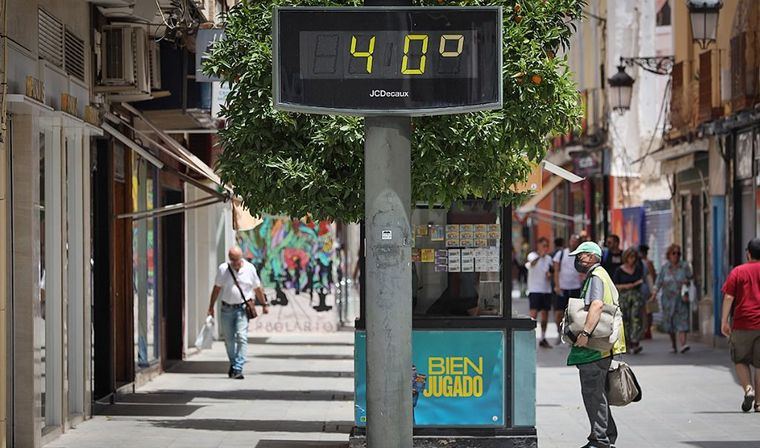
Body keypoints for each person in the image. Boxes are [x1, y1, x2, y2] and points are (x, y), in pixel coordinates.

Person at [567, 241, 626, 448]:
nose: (578, 260)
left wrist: (585, 333)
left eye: (581, 255)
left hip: (595, 346)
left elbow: (597, 305)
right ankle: (606, 435)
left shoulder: (595, 277)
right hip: (604, 345)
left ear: (592, 257)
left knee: (593, 393)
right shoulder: (602, 275)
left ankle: (600, 440)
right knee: (597, 392)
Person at [207, 246, 269, 379]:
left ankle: (238, 367)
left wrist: (264, 304)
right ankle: (234, 363)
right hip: (226, 309)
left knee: (242, 337)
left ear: (241, 257)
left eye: (237, 259)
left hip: (242, 308)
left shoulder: (249, 268)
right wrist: (211, 306)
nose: (234, 262)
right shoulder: (223, 269)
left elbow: (257, 288)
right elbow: (217, 288)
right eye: (232, 259)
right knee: (229, 340)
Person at [720, 238, 760, 413]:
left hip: (743, 323)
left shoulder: (738, 271)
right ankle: (759, 403)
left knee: (740, 359)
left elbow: (729, 297)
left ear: (748, 253)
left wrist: (724, 321)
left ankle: (748, 389)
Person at [650, 244, 693, 354]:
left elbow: (691, 279)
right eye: (674, 253)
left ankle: (683, 344)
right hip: (668, 300)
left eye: (678, 253)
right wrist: (654, 295)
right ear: (669, 255)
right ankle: (673, 345)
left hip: (681, 298)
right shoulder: (665, 268)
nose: (676, 255)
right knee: (670, 323)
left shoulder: (684, 266)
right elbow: (658, 282)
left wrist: (687, 283)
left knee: (682, 321)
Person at [613, 248, 645, 354]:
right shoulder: (619, 270)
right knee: (624, 319)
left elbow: (642, 280)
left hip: (636, 297)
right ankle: (626, 342)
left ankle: (635, 342)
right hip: (624, 297)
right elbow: (615, 285)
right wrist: (628, 285)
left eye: (634, 257)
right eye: (630, 257)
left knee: (636, 318)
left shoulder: (638, 269)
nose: (632, 260)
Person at [553, 234, 582, 344]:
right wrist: (557, 285)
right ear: (569, 241)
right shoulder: (561, 254)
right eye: (572, 240)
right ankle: (559, 331)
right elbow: (556, 270)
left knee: (574, 314)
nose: (574, 242)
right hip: (563, 287)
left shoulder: (580, 255)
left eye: (576, 241)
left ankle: (571, 336)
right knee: (559, 313)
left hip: (575, 287)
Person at [526, 237, 554, 348]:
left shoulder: (549, 259)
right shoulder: (532, 255)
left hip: (546, 290)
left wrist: (549, 275)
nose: (545, 248)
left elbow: (551, 271)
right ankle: (529, 338)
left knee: (545, 316)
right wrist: (539, 256)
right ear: (538, 246)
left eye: (547, 246)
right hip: (534, 290)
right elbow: (531, 264)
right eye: (543, 245)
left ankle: (543, 338)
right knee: (533, 315)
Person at [639, 244, 657, 340]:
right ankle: (647, 329)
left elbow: (651, 276)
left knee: (643, 310)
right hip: (646, 288)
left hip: (642, 288)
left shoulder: (641, 263)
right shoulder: (648, 262)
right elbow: (653, 276)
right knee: (648, 310)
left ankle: (645, 329)